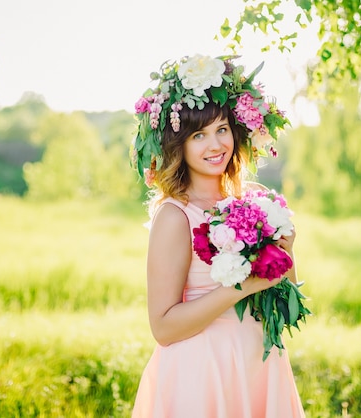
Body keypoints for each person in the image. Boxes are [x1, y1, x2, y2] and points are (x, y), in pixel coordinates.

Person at [130, 54, 306, 418]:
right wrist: (242, 285)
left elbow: (287, 314)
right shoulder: (175, 216)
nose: (215, 146)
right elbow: (162, 328)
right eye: (199, 135)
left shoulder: (255, 202)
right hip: (203, 373)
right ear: (179, 144)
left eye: (221, 129)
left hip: (260, 368)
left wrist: (286, 256)